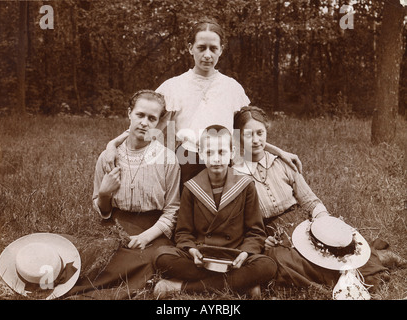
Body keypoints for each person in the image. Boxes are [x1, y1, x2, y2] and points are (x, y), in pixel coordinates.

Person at [104, 19, 302, 186]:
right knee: (187, 221)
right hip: (186, 163)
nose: (207, 54)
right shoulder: (172, 87)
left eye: (213, 48)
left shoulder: (232, 88)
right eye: (201, 48)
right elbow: (146, 127)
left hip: (224, 162)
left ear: (221, 51)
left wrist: (279, 151)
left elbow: (248, 133)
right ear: (190, 48)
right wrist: (112, 145)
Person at [232, 106, 390, 291]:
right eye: (248, 134)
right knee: (281, 261)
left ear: (266, 131)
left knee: (335, 247)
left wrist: (324, 221)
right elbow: (242, 221)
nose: (256, 140)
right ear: (239, 137)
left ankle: (376, 262)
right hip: (270, 233)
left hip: (301, 224)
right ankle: (335, 282)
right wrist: (262, 239)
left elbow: (309, 200)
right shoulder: (235, 174)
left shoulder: (282, 163)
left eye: (260, 132)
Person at [67, 90, 181, 299]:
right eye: (140, 115)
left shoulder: (168, 159)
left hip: (153, 232)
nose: (145, 123)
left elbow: (173, 209)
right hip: (116, 228)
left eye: (152, 118)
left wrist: (146, 236)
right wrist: (103, 194)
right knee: (92, 257)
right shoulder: (108, 157)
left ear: (157, 122)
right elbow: (103, 212)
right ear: (129, 113)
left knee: (147, 260)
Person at [152, 125, 277, 299]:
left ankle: (179, 287)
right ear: (201, 153)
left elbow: (255, 231)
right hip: (201, 257)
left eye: (221, 152)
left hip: (234, 256)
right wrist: (191, 250)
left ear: (232, 153)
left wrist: (245, 253)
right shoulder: (191, 187)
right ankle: (242, 285)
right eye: (209, 153)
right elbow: (183, 232)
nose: (216, 159)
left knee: (267, 265)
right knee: (161, 256)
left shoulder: (246, 185)